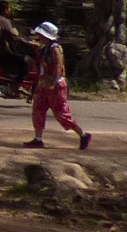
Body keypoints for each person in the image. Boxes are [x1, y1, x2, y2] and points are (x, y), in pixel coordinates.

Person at [23, 19, 87, 150]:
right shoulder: (45, 49)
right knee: (38, 110)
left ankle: (83, 134)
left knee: (61, 114)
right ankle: (38, 138)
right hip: (43, 84)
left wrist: (53, 82)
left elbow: (58, 66)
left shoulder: (55, 49)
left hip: (55, 85)